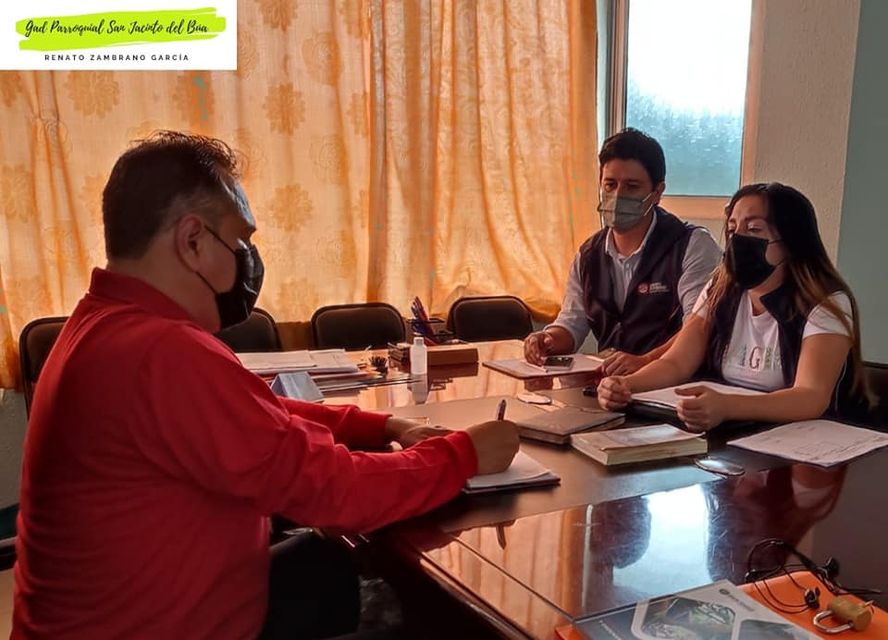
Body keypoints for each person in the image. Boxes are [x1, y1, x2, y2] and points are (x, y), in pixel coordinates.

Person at [12, 131, 520, 639]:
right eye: (240, 241)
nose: (249, 260)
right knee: (437, 620)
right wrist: (464, 455)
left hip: (166, 606)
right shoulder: (160, 352)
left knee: (334, 564)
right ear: (192, 241)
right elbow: (337, 492)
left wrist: (384, 425)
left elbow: (260, 413)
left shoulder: (103, 324)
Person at [598, 182, 872, 430]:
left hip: (806, 444)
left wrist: (728, 406)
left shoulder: (824, 302)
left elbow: (810, 397)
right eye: (732, 229)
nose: (738, 240)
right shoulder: (720, 290)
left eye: (754, 230)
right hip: (734, 435)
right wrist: (627, 385)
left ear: (790, 242)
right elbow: (677, 362)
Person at [524, 128, 721, 376]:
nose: (618, 196)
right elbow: (572, 323)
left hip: (673, 383)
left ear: (657, 193)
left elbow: (698, 327)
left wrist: (646, 361)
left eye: (631, 187)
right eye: (610, 185)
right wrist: (547, 339)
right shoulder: (588, 255)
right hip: (610, 384)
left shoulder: (692, 245)